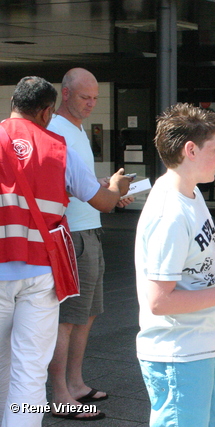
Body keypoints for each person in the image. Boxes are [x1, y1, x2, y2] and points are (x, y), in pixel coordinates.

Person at [0, 76, 131, 426]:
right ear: (46, 112)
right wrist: (117, 187)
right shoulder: (59, 149)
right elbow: (104, 202)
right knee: (29, 366)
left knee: (2, 364)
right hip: (41, 273)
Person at [135, 103, 215, 426]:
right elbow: (159, 301)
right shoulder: (170, 212)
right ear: (190, 150)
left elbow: (190, 263)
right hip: (179, 355)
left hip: (206, 346)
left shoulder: (190, 196)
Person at [46, 67, 133, 420]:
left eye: (96, 98)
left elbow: (73, 181)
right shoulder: (55, 129)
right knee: (67, 318)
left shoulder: (77, 130)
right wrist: (109, 192)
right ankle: (60, 394)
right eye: (85, 97)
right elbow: (55, 185)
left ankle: (76, 384)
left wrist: (104, 187)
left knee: (88, 313)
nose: (92, 104)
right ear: (64, 94)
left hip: (90, 230)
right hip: (71, 235)